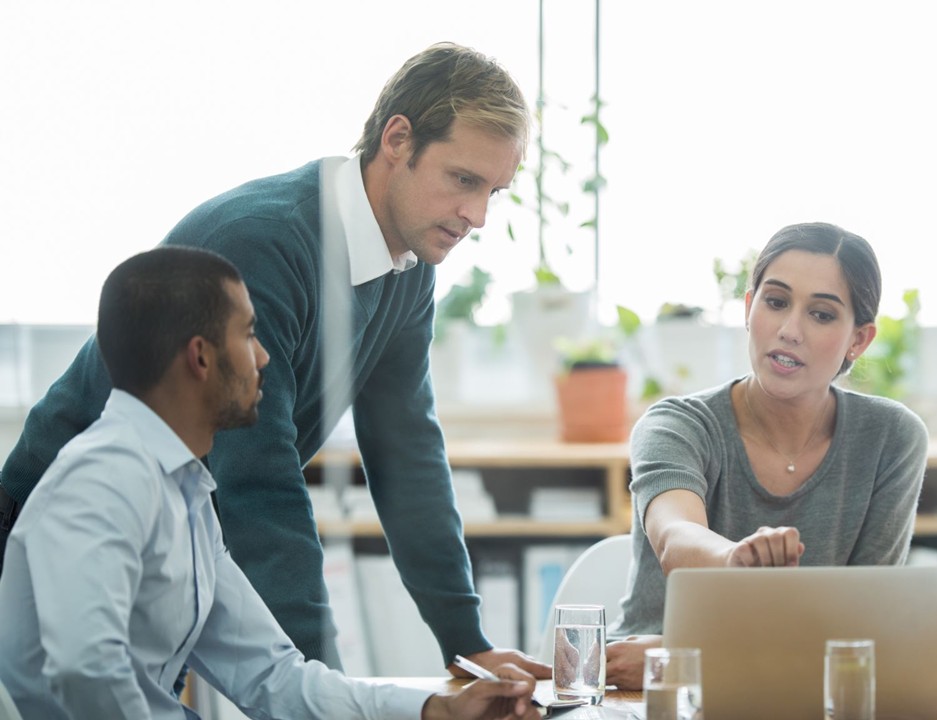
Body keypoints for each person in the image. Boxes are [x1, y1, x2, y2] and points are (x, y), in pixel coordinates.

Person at [0, 41, 547, 679]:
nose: (476, 216)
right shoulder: (264, 244)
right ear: (397, 139)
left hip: (166, 546)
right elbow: (258, 483)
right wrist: (322, 687)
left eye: (494, 192)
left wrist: (467, 645)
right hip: (61, 543)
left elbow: (408, 456)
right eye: (463, 180)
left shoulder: (408, 269)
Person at [0, 247, 540, 720]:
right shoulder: (101, 481)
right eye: (249, 334)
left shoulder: (183, 491)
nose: (264, 357)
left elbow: (274, 678)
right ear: (201, 356)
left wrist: (432, 709)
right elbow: (85, 669)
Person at [603, 222, 929, 690]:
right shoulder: (676, 425)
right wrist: (735, 561)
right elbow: (676, 539)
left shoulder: (892, 438)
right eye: (775, 303)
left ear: (859, 340)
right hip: (650, 686)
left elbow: (863, 628)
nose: (789, 330)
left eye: (821, 314)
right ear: (749, 307)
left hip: (791, 687)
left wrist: (698, 657)